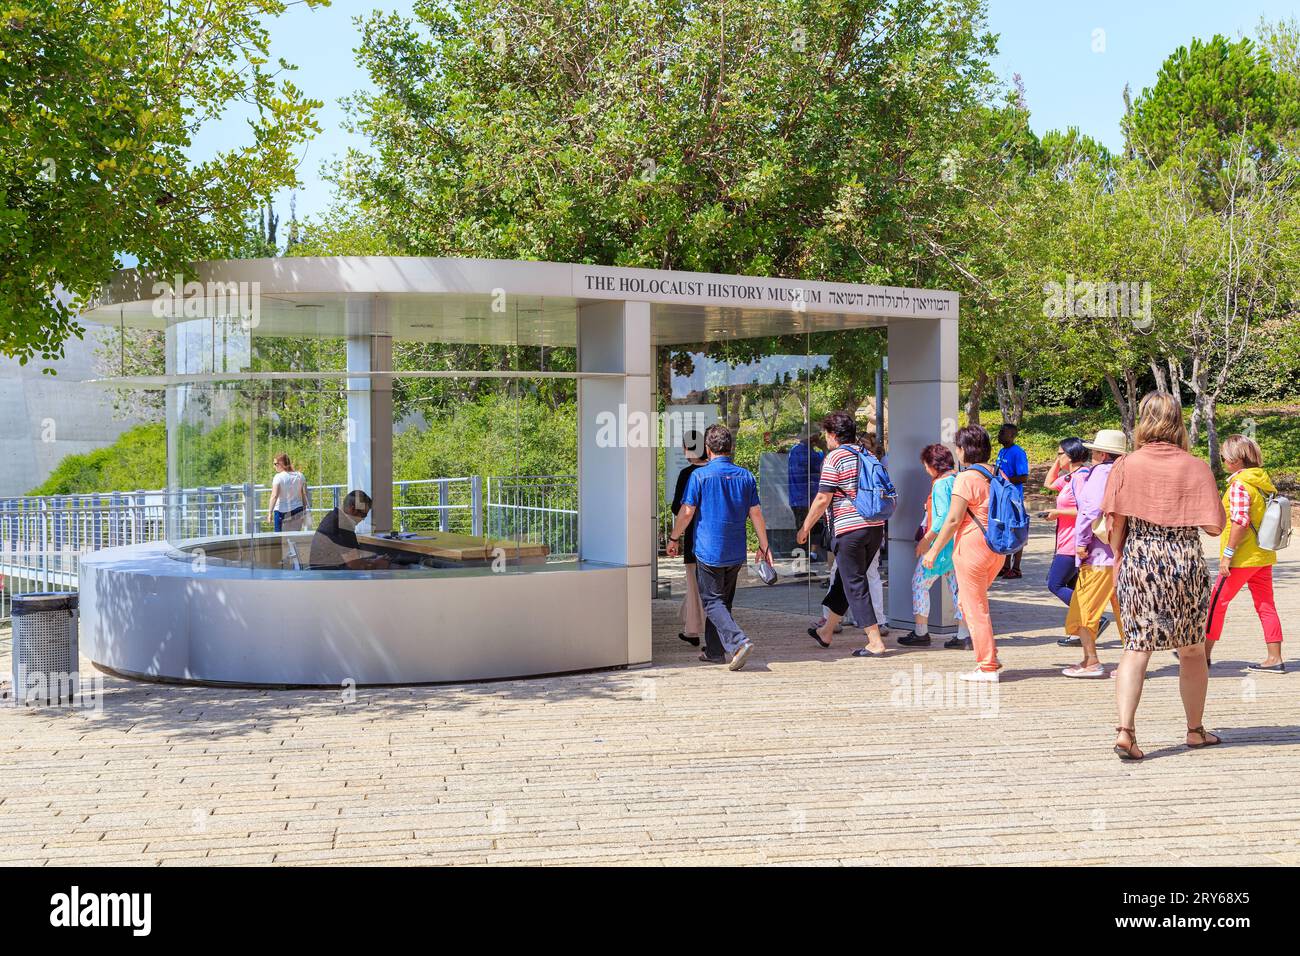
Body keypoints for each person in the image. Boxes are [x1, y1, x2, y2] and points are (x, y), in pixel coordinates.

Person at [1102, 392, 1226, 760]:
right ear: (1178, 422)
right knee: (1191, 649)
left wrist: (1120, 558)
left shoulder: (1126, 464)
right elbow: (1214, 527)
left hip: (1141, 557)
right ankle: (1194, 730)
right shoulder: (1196, 466)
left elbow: (1115, 527)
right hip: (1184, 559)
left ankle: (1126, 730)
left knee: (1136, 647)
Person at [667, 424, 771, 671]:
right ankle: (714, 651)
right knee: (723, 602)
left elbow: (687, 511)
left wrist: (673, 538)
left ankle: (738, 642)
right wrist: (764, 547)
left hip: (709, 551)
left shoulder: (699, 476)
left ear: (707, 448)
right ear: (731, 447)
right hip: (736, 552)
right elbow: (755, 513)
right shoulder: (745, 476)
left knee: (712, 602)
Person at [796, 411, 889, 657]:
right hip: (875, 527)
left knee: (855, 583)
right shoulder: (866, 454)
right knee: (844, 581)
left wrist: (805, 527)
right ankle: (826, 632)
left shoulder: (835, 457)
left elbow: (823, 497)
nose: (826, 439)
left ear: (834, 435)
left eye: (827, 434)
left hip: (850, 529)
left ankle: (875, 641)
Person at [922, 424, 1005, 681]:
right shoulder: (997, 473)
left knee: (974, 606)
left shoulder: (966, 478)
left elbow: (953, 519)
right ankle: (989, 653)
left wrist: (933, 551)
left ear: (963, 450)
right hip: (997, 547)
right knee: (969, 603)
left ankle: (987, 665)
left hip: (972, 547)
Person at [1205, 434, 1285, 674]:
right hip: (1263, 555)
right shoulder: (1262, 482)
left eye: (1224, 456)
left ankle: (1202, 654)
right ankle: (1275, 658)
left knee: (1216, 603)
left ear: (1236, 460)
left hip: (1241, 558)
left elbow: (1240, 521)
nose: (1223, 460)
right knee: (1266, 605)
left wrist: (1227, 555)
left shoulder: (1240, 484)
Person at [1060, 429, 1126, 677]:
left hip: (1098, 554)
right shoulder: (1125, 473)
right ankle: (1130, 664)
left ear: (1100, 452)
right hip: (1122, 554)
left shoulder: (1100, 473)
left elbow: (1089, 511)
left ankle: (1091, 660)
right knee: (1125, 612)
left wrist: (1081, 543)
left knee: (1084, 607)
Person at [899, 443, 971, 649]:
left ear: (933, 464)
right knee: (959, 590)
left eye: (925, 464)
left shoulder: (940, 485)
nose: (924, 469)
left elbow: (941, 520)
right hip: (958, 544)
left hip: (941, 546)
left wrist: (926, 541)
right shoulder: (958, 479)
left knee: (919, 583)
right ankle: (963, 634)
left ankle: (921, 632)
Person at [669, 430, 707, 648]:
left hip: (694, 537)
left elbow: (678, 507)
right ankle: (692, 627)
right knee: (711, 589)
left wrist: (674, 536)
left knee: (694, 587)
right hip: (715, 541)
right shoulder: (714, 471)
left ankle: (693, 629)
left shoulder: (688, 475)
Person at [1041, 437, 1088, 608]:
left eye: (1060, 454)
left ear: (1070, 455)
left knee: (1055, 584)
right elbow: (1049, 483)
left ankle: (1093, 618)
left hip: (1074, 542)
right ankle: (1081, 630)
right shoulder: (1070, 477)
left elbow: (1085, 511)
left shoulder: (1081, 477)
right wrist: (1059, 461)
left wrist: (1058, 513)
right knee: (1071, 586)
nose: (1057, 457)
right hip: (1065, 540)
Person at [309, 490, 391, 571]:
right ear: (353, 509)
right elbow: (354, 565)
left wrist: (372, 560)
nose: (362, 519)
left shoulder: (335, 517)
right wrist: (376, 563)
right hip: (332, 577)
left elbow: (352, 559)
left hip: (322, 573)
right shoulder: (343, 525)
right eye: (363, 515)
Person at [993, 423, 1029, 578]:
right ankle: (1005, 565)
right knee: (1005, 530)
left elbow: (1023, 477)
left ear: (1012, 435)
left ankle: (1016, 568)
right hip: (1002, 498)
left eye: (1003, 432)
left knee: (1016, 530)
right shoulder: (1002, 451)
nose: (1000, 434)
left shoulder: (1018, 453)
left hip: (1013, 498)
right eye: (1000, 431)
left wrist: (1004, 481)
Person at [787, 429, 825, 562]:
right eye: (817, 435)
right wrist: (824, 447)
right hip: (805, 498)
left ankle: (808, 557)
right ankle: (802, 563)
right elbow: (823, 464)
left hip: (799, 498)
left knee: (810, 528)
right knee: (806, 529)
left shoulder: (795, 450)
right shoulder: (808, 453)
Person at [267, 452, 311, 532]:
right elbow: (304, 494)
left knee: (279, 539)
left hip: (281, 511)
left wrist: (270, 513)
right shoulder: (300, 476)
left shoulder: (278, 477)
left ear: (282, 464)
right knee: (294, 537)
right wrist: (304, 510)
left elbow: (274, 496)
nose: (274, 467)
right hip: (298, 509)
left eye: (275, 464)